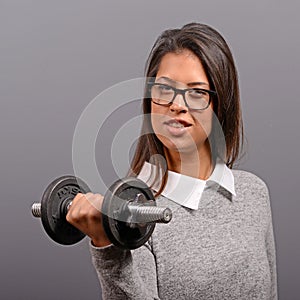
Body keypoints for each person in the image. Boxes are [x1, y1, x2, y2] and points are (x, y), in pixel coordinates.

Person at [66, 23, 278, 299]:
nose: (177, 105)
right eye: (164, 89)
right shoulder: (133, 211)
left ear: (221, 104)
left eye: (197, 92)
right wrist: (109, 250)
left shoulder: (254, 193)